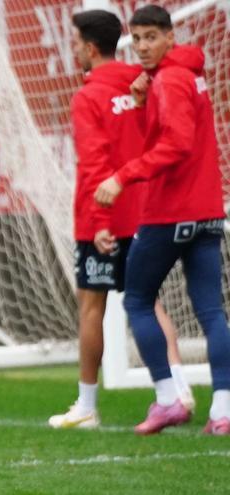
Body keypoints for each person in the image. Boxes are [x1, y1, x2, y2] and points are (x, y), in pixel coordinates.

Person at [49, 9, 193, 430]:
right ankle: (178, 388)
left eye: (75, 43)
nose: (73, 50)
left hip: (105, 216)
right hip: (148, 210)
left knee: (92, 306)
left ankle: (87, 405)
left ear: (90, 48)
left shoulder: (89, 96)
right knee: (148, 301)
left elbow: (94, 164)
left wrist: (99, 221)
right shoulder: (145, 80)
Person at [95, 4, 230, 435]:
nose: (143, 47)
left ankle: (170, 399)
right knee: (211, 309)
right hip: (209, 211)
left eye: (152, 37)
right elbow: (168, 133)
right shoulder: (185, 74)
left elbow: (175, 145)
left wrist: (121, 177)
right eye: (137, 39)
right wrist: (141, 100)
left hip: (171, 211)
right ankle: (223, 411)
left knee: (135, 299)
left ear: (171, 38)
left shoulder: (169, 79)